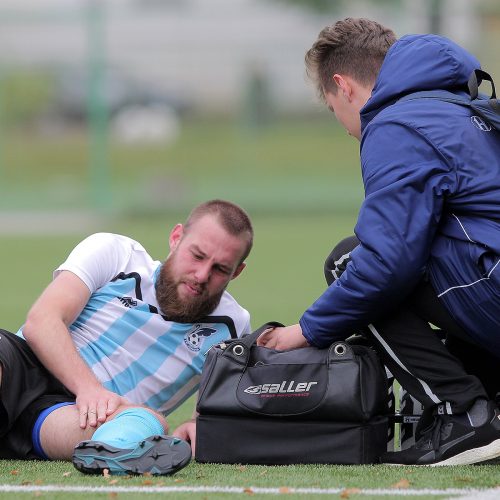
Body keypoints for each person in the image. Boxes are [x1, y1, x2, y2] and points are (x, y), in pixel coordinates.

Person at [257, 18, 500, 466]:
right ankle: (490, 401)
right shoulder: (463, 108)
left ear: (343, 86)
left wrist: (305, 330)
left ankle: (465, 415)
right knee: (432, 250)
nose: (347, 128)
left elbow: (385, 265)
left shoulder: (396, 124)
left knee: (350, 262)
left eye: (334, 111)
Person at [0, 199, 253, 475]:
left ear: (237, 273)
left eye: (220, 269)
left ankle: (114, 452)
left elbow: (220, 406)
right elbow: (42, 321)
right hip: (23, 364)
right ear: (176, 238)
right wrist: (89, 388)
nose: (202, 275)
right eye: (197, 256)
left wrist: (198, 424)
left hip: (78, 417)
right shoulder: (117, 253)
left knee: (149, 422)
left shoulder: (233, 329)